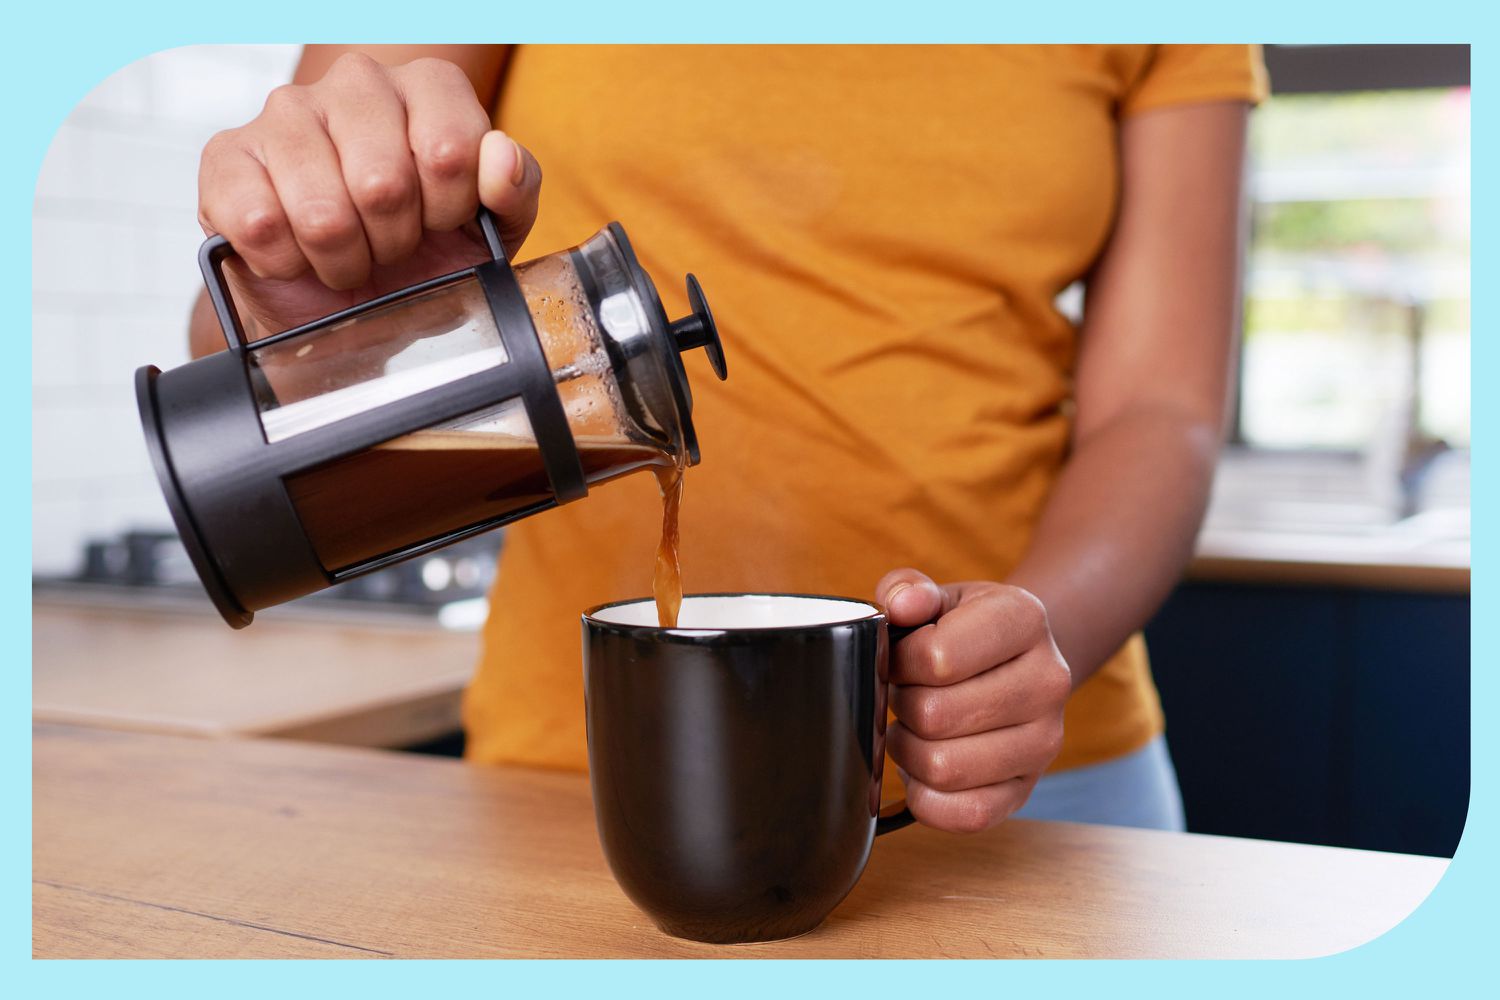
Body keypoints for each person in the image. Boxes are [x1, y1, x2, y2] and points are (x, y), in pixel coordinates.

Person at [191, 44, 1266, 833]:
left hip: (1030, 780)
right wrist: (307, 280)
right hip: (582, 783)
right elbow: (229, 353)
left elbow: (1158, 413)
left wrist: (1035, 645)